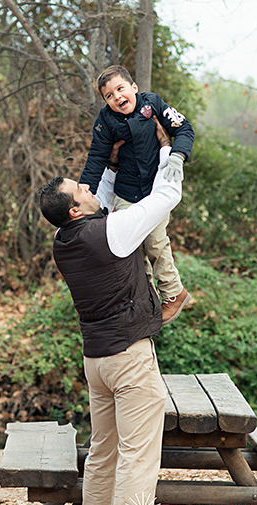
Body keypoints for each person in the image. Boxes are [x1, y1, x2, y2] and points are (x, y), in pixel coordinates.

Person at [39, 119, 179, 505]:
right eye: (79, 188)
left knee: (103, 454)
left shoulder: (65, 241)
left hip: (95, 361)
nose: (86, 183)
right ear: (76, 210)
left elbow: (96, 192)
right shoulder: (113, 232)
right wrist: (170, 155)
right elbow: (164, 200)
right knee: (139, 457)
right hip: (129, 358)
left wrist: (112, 166)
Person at [79, 65, 194, 327]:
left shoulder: (152, 104)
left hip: (155, 191)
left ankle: (174, 292)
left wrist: (178, 155)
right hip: (126, 194)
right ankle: (147, 302)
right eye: (109, 95)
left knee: (154, 241)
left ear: (133, 88)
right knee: (129, 249)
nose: (117, 97)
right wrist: (85, 190)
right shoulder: (105, 120)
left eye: (120, 89)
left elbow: (184, 128)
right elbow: (96, 157)